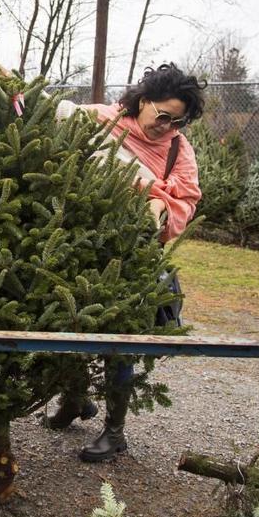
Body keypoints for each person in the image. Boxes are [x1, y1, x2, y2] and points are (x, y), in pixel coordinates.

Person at [45, 62, 205, 462]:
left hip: (134, 257)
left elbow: (185, 200)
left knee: (120, 340)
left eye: (177, 121)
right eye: (162, 116)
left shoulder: (177, 150)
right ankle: (75, 400)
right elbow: (48, 115)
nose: (165, 126)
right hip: (83, 245)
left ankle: (114, 432)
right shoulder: (102, 121)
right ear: (142, 100)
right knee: (70, 323)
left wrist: (161, 210)